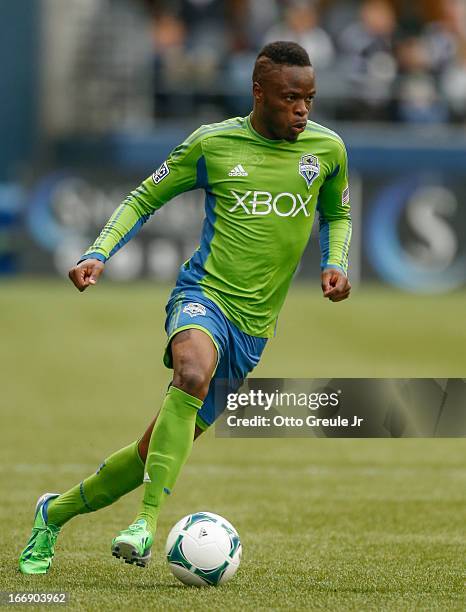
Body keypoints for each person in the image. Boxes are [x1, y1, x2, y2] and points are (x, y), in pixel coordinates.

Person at [19, 41, 351, 574]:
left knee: (149, 452)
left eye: (309, 98)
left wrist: (336, 262)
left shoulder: (328, 149)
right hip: (203, 297)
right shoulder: (214, 144)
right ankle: (146, 524)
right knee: (192, 373)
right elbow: (143, 197)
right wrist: (98, 251)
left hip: (253, 330)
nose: (302, 110)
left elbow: (337, 213)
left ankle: (51, 514)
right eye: (291, 98)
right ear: (258, 92)